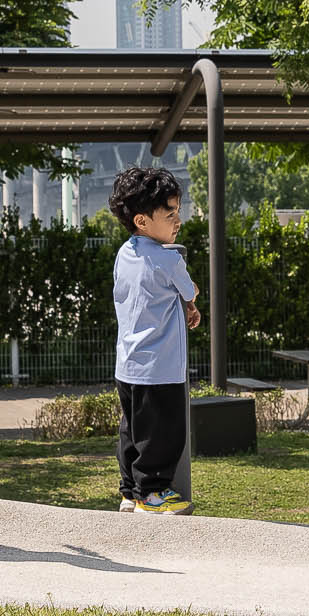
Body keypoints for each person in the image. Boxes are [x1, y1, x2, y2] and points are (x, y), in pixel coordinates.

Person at [108, 165, 201, 515]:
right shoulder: (168, 258)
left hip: (128, 363)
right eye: (170, 213)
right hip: (160, 367)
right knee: (163, 434)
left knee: (132, 432)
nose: (178, 220)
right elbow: (187, 288)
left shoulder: (124, 254)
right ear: (143, 221)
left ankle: (129, 492)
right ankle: (153, 493)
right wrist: (192, 301)